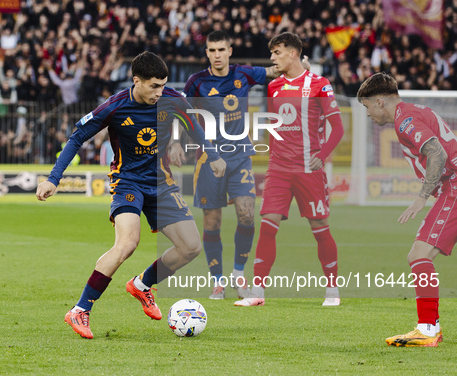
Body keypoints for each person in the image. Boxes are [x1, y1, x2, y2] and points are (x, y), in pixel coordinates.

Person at [36, 52, 226, 339]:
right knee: (127, 243)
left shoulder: (172, 99)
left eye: (162, 85)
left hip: (162, 183)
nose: (159, 92)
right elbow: (77, 137)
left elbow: (195, 128)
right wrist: (54, 178)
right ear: (136, 81)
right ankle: (79, 310)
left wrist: (213, 156)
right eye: (153, 86)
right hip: (128, 183)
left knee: (190, 247)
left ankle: (142, 285)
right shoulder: (115, 106)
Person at [181, 30, 310, 300]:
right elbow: (184, 115)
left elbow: (276, 71)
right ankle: (217, 280)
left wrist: (302, 65)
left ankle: (239, 273)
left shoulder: (244, 74)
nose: (216, 55)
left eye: (221, 50)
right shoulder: (196, 82)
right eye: (211, 50)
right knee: (212, 222)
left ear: (230, 51)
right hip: (207, 158)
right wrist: (173, 143)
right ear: (207, 53)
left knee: (247, 214)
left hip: (240, 155)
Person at [236, 32, 345, 307]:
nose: (273, 58)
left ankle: (332, 289)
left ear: (293, 53)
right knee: (268, 226)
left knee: (319, 227)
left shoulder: (320, 84)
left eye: (277, 52)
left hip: (309, 169)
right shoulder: (273, 87)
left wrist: (322, 155)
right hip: (279, 168)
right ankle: (257, 292)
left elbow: (337, 128)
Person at [357, 73, 456, 347]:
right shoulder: (413, 112)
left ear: (379, 102)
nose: (367, 115)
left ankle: (427, 329)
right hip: (451, 186)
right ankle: (428, 327)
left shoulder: (405, 121)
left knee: (419, 254)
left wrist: (422, 197)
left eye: (366, 107)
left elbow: (438, 154)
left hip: (454, 185)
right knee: (420, 254)